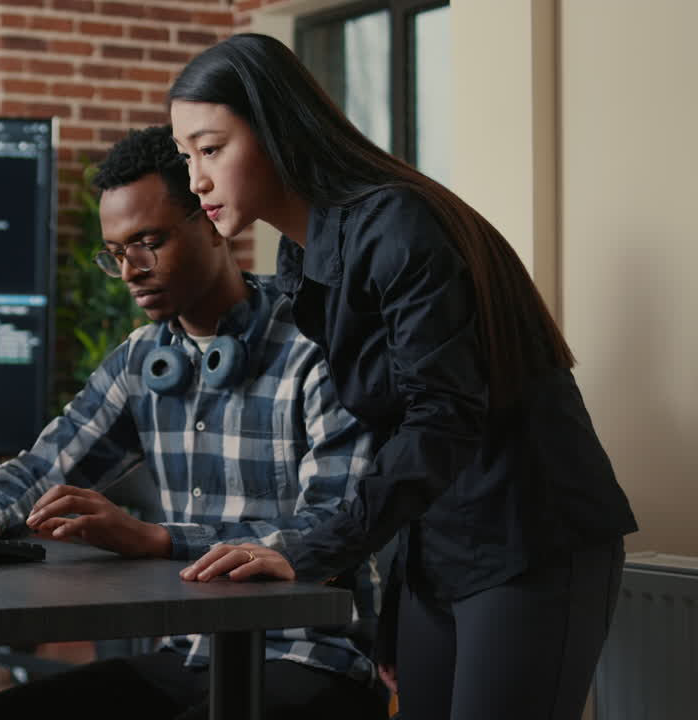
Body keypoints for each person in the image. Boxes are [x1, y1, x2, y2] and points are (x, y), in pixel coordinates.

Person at [167, 33, 637, 720]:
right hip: (437, 548)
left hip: (530, 536)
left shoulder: (399, 225)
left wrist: (312, 550)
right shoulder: (303, 258)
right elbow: (393, 434)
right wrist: (394, 596)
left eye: (210, 149)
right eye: (186, 157)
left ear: (275, 130)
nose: (196, 181)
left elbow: (441, 418)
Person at [0, 126, 387, 720]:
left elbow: (336, 523)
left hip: (313, 658)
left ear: (212, 221)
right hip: (191, 654)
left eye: (148, 243)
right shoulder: (142, 359)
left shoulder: (317, 345)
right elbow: (45, 466)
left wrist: (159, 539)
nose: (130, 270)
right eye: (116, 252)